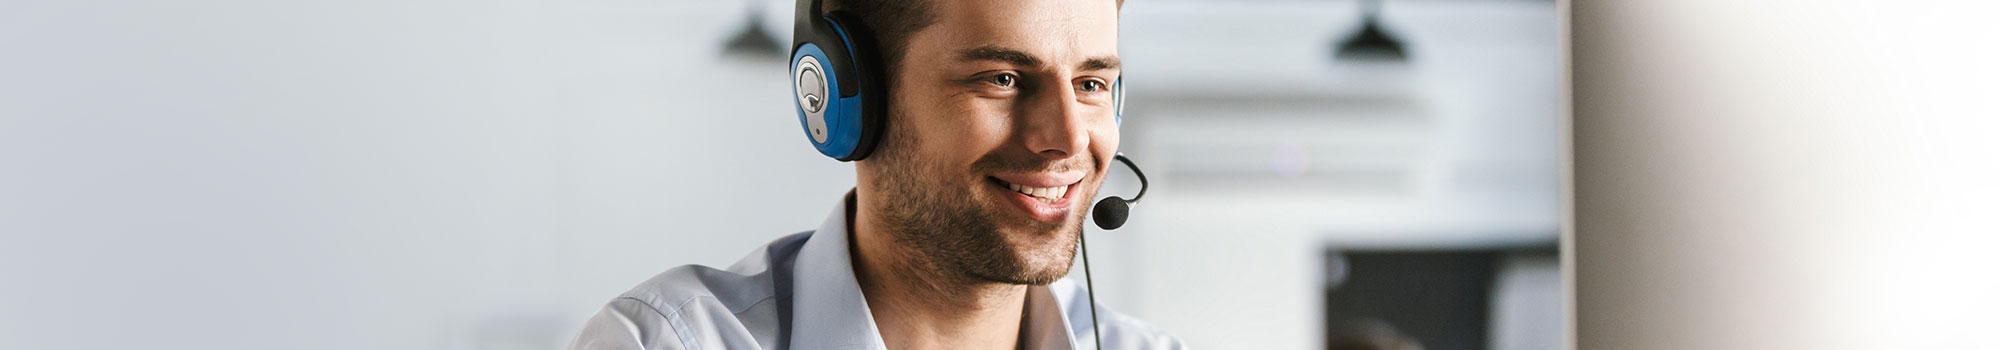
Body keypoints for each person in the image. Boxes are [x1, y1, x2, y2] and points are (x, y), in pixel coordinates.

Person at [566, 0, 1182, 349]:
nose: (1071, 137)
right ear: (846, 99)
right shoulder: (668, 343)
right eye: (1001, 79)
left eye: (1092, 84)